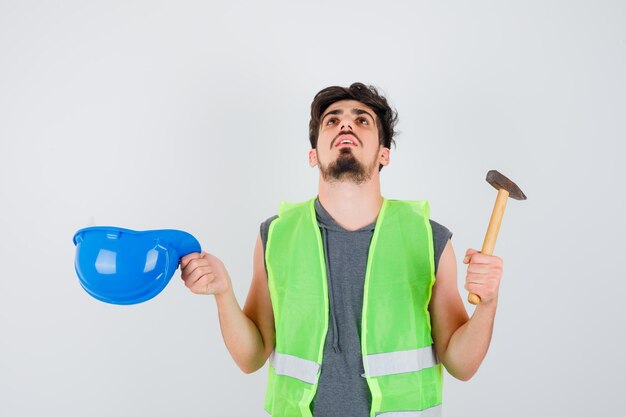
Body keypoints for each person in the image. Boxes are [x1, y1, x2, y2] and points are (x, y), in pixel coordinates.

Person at [180, 83, 503, 417]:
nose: (346, 125)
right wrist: (223, 293)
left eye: (362, 120)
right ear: (313, 155)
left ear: (384, 154)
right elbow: (251, 357)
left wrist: (488, 303)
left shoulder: (428, 237)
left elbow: (462, 365)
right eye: (332, 121)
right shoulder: (276, 235)